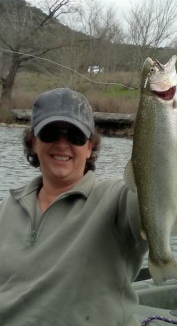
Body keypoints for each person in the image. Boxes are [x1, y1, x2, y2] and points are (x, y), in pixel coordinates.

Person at [0, 87, 148, 326]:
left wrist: (164, 123)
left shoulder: (115, 199)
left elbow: (152, 193)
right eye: (50, 133)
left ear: (89, 147)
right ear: (33, 142)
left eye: (75, 136)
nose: (62, 144)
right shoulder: (7, 208)